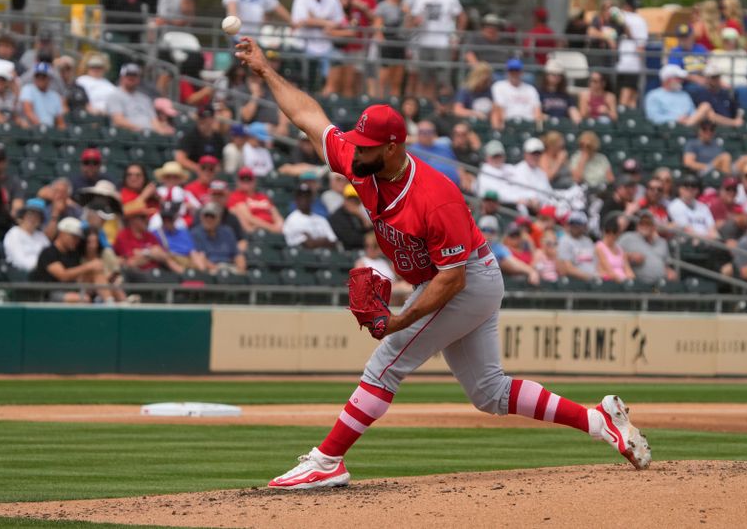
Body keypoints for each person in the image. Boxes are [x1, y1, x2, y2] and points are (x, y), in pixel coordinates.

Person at [234, 36, 650, 489]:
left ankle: (327, 459)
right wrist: (265, 71)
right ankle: (599, 421)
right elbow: (309, 119)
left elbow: (451, 280)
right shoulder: (361, 163)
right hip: (451, 279)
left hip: (467, 280)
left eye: (368, 146)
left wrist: (400, 321)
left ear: (393, 147)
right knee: (489, 393)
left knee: (386, 363)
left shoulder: (436, 197)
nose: (356, 151)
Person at [31, 217, 113, 303]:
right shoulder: (48, 252)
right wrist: (89, 266)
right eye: (73, 237)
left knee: (99, 275)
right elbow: (63, 276)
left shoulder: (73, 253)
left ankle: (111, 304)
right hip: (50, 293)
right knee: (84, 298)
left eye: (78, 238)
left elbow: (77, 276)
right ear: (62, 233)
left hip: (72, 288)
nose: (76, 241)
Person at [409, 0, 464, 99]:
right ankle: (426, 106)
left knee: (444, 81)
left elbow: (462, 17)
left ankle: (444, 108)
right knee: (425, 79)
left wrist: (457, 37)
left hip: (443, 44)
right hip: (424, 43)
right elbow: (412, 20)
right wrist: (416, 21)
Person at [114, 206, 185, 275]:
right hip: (136, 277)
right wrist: (150, 253)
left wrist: (145, 254)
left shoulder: (149, 235)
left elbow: (162, 255)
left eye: (147, 217)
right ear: (132, 219)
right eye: (142, 217)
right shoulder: (123, 235)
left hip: (156, 274)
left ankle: (185, 275)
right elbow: (131, 262)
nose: (146, 220)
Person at [107, 63, 170, 134]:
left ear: (139, 78)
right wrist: (141, 128)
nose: (131, 78)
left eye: (135, 75)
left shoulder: (145, 98)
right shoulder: (115, 95)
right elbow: (118, 120)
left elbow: (154, 120)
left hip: (149, 134)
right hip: (128, 135)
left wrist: (161, 130)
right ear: (122, 77)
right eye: (129, 75)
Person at [478, 215, 540, 285]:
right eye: (484, 230)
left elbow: (512, 262)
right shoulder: (472, 246)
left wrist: (531, 271)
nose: (488, 233)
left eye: (491, 231)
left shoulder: (498, 248)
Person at [618, 211, 674, 284]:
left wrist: (669, 272)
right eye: (641, 223)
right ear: (637, 225)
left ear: (654, 226)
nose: (644, 226)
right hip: (638, 283)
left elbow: (666, 264)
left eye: (648, 223)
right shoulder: (628, 238)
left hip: (661, 284)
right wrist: (629, 256)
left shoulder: (662, 242)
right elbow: (611, 253)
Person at [644, 64, 711, 126]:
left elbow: (693, 113)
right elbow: (653, 118)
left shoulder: (684, 95)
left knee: (705, 106)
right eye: (678, 78)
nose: (681, 81)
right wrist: (676, 119)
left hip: (689, 127)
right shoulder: (653, 95)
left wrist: (687, 119)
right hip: (667, 130)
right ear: (668, 79)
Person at [190, 202, 246, 274]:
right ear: (201, 217)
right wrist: (218, 270)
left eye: (212, 216)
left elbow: (237, 254)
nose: (208, 219)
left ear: (219, 218)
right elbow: (199, 257)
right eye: (206, 215)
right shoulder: (196, 233)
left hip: (229, 267)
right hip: (211, 270)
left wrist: (241, 270)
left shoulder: (227, 232)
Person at [153, 201, 209, 271]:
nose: (167, 222)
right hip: (170, 264)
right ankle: (185, 275)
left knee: (200, 256)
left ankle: (203, 275)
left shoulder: (184, 232)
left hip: (186, 260)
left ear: (176, 217)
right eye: (164, 219)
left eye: (170, 219)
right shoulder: (155, 233)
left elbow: (192, 252)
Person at [227, 167, 284, 234]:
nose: (246, 182)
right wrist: (271, 228)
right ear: (238, 181)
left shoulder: (263, 197)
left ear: (254, 181)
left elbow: (276, 214)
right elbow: (249, 218)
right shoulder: (235, 196)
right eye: (243, 179)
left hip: (272, 229)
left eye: (248, 179)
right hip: (257, 232)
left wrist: (280, 225)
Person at [490, 59, 542, 130]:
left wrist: (537, 128)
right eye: (512, 71)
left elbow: (537, 111)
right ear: (507, 72)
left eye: (517, 71)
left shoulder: (531, 89)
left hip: (528, 125)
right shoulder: (499, 86)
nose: (514, 73)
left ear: (521, 72)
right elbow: (499, 109)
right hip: (509, 124)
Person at [283, 183, 339, 248]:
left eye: (307, 196)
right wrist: (324, 240)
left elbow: (334, 242)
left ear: (312, 199)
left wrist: (314, 240)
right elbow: (309, 244)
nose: (304, 200)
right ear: (296, 200)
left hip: (325, 255)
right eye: (301, 197)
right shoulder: (291, 220)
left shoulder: (321, 219)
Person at [615, 0, 648, 108]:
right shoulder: (640, 20)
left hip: (620, 62)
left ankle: (626, 120)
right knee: (630, 96)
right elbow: (641, 47)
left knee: (628, 95)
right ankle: (624, 120)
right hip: (632, 63)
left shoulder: (620, 16)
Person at [407, 120, 461, 187]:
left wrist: (464, 177)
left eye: (429, 132)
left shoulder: (444, 147)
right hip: (433, 187)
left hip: (457, 186)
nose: (425, 135)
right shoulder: (412, 151)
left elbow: (456, 164)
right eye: (422, 132)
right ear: (417, 134)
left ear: (434, 133)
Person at [3, 198, 50, 272]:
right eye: (30, 214)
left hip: (43, 273)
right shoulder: (14, 234)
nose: (33, 219)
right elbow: (19, 260)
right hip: (20, 276)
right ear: (23, 216)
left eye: (37, 216)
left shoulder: (42, 236)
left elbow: (49, 255)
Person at [175, 107, 225, 175]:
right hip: (194, 173)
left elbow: (220, 162)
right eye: (202, 118)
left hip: (212, 173)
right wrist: (199, 168)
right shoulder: (190, 135)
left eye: (207, 118)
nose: (204, 121)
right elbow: (180, 158)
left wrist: (212, 170)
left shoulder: (218, 138)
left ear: (213, 119)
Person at [151, 161, 200, 230]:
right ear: (163, 178)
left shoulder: (186, 193)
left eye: (175, 177)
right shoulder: (157, 192)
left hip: (180, 224)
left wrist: (189, 207)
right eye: (168, 177)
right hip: (159, 222)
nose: (171, 180)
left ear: (180, 179)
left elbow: (199, 209)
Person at [690, 63, 742, 127]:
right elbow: (711, 116)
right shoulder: (701, 94)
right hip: (713, 129)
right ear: (707, 78)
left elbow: (738, 109)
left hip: (730, 129)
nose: (716, 79)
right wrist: (733, 123)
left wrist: (739, 117)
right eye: (713, 77)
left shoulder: (726, 93)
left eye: (718, 76)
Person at [19, 62, 65, 129]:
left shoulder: (55, 96)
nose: (40, 78)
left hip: (50, 132)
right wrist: (42, 128)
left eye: (43, 76)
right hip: (32, 131)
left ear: (49, 78)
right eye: (38, 76)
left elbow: (60, 121)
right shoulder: (28, 89)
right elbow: (28, 112)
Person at [667, 24, 709, 92]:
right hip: (686, 83)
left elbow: (709, 64)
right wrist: (695, 78)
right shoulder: (676, 51)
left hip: (704, 79)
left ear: (692, 36)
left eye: (686, 37)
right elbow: (675, 70)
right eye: (681, 37)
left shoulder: (701, 49)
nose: (684, 40)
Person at [329, 183, 372, 250]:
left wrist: (361, 217)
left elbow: (371, 231)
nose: (353, 203)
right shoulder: (337, 216)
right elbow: (350, 239)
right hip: (345, 253)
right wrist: (367, 239)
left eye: (356, 200)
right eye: (350, 199)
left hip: (363, 251)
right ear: (344, 200)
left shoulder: (359, 214)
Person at [537, 59, 581, 123]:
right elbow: (537, 114)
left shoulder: (565, 96)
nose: (556, 77)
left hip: (564, 126)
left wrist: (576, 120)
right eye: (554, 74)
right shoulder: (539, 94)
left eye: (559, 75)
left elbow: (574, 112)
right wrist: (549, 118)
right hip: (547, 126)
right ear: (546, 75)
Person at [558, 211, 597, 281]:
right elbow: (567, 268)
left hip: (593, 281)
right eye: (572, 224)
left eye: (578, 224)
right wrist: (590, 277)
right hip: (576, 283)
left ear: (585, 226)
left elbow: (596, 263)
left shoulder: (588, 241)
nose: (575, 227)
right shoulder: (565, 241)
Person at [223, 0, 291, 36]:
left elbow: (277, 7)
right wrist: (234, 23)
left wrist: (292, 23)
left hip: (255, 37)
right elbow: (231, 5)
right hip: (237, 35)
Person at [595, 216, 634, 283]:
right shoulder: (599, 247)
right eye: (609, 233)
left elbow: (628, 269)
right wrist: (623, 282)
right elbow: (609, 271)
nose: (611, 236)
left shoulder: (620, 249)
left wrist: (630, 280)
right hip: (610, 283)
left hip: (624, 282)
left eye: (615, 233)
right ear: (605, 232)